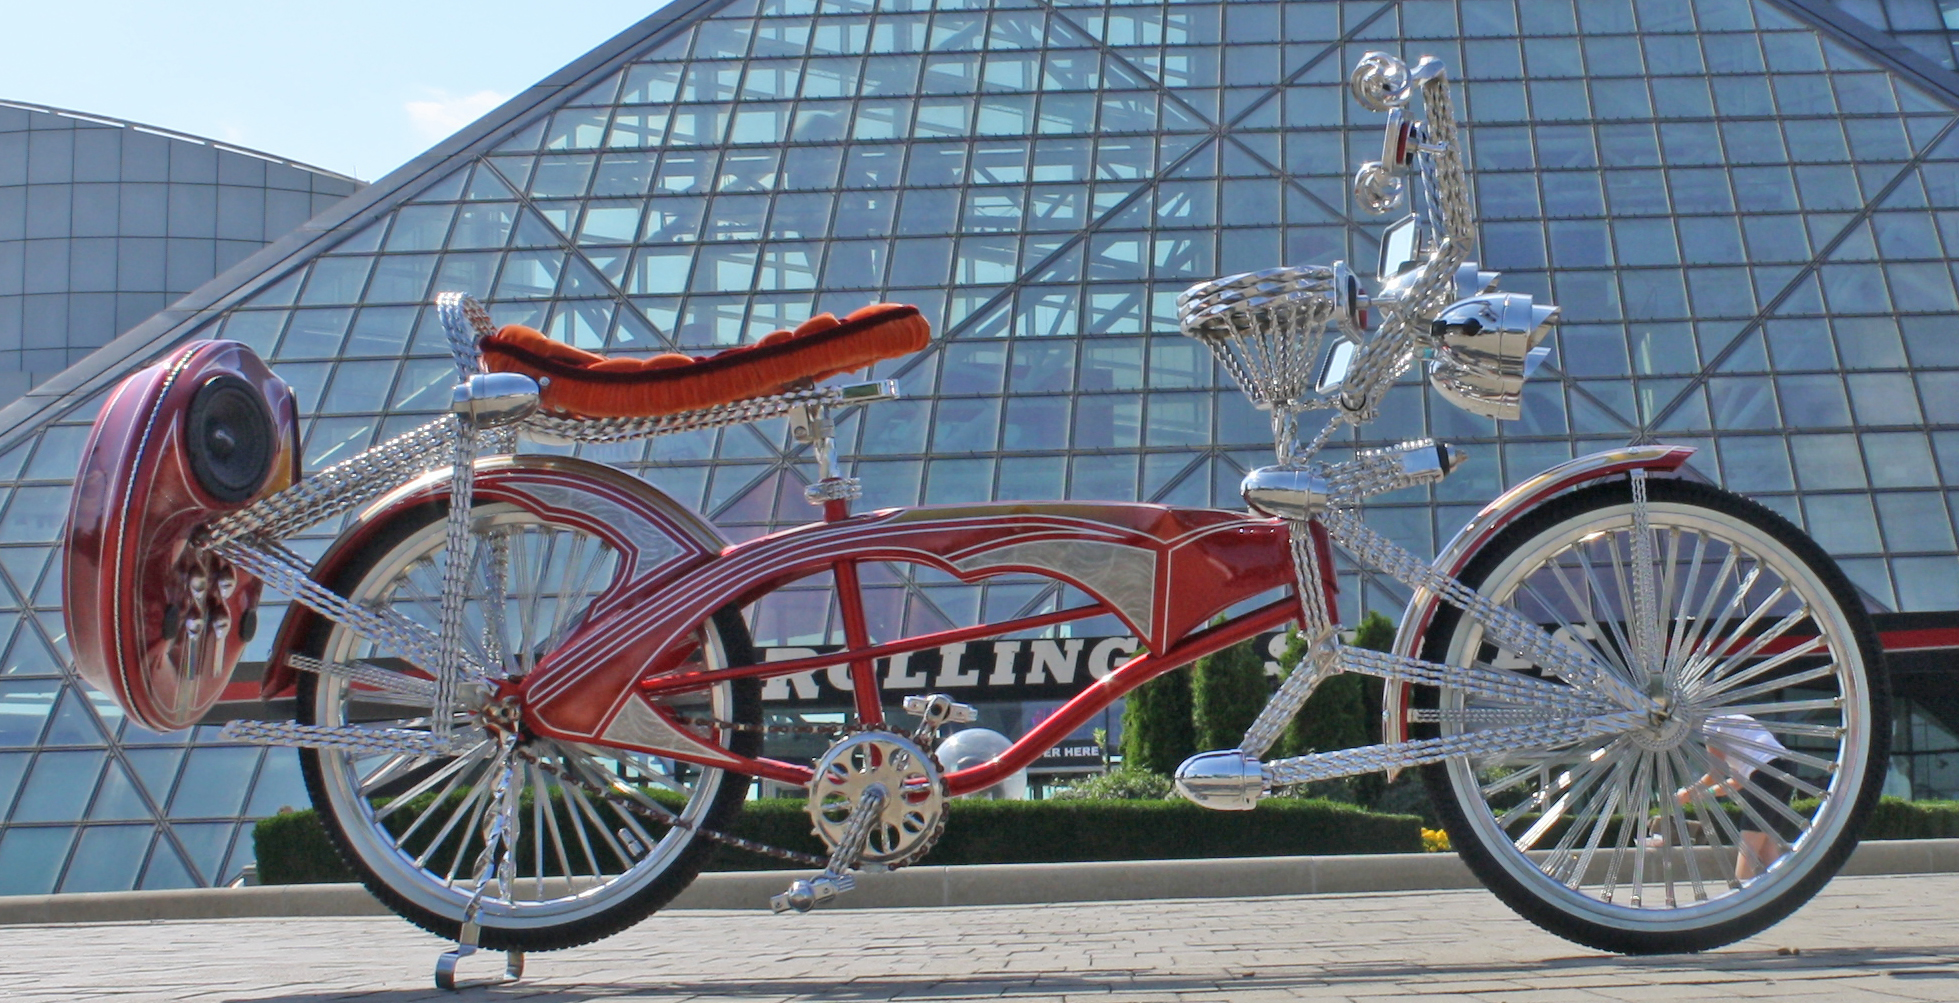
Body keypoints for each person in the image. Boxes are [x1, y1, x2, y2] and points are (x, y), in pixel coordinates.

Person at [1676, 713, 1797, 882]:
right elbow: (1737, 781)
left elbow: (1716, 773)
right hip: (1786, 768)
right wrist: (1704, 794)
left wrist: (1686, 794)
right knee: (1767, 843)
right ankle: (1783, 891)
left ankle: (1740, 896)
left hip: (1765, 773)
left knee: (1749, 845)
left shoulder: (1712, 725)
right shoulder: (1736, 722)